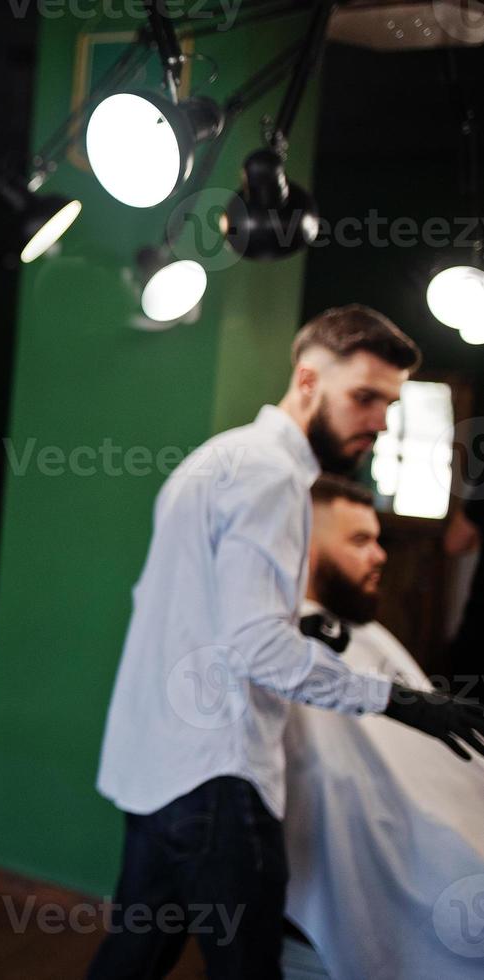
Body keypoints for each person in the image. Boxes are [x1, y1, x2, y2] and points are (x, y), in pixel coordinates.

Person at [88, 305, 484, 979]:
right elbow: (256, 650)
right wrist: (398, 701)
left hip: (154, 763)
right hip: (217, 774)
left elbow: (189, 610)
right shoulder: (270, 476)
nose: (376, 421)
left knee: (130, 960)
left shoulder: (217, 458)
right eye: (362, 398)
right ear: (306, 380)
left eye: (386, 404)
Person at [282, 476, 484, 979]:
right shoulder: (291, 648)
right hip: (428, 839)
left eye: (376, 539)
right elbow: (345, 786)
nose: (380, 556)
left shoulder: (362, 630)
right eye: (358, 541)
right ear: (303, 550)